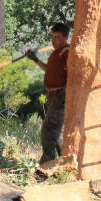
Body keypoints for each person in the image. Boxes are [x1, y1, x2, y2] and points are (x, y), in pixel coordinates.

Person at [26, 22, 70, 164]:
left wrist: (64, 93)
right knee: (56, 132)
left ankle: (46, 163)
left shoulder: (66, 51)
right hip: (53, 96)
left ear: (65, 37)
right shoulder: (56, 53)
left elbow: (72, 74)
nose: (53, 40)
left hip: (60, 95)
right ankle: (63, 162)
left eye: (57, 37)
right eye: (52, 37)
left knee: (48, 130)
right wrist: (35, 60)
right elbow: (48, 70)